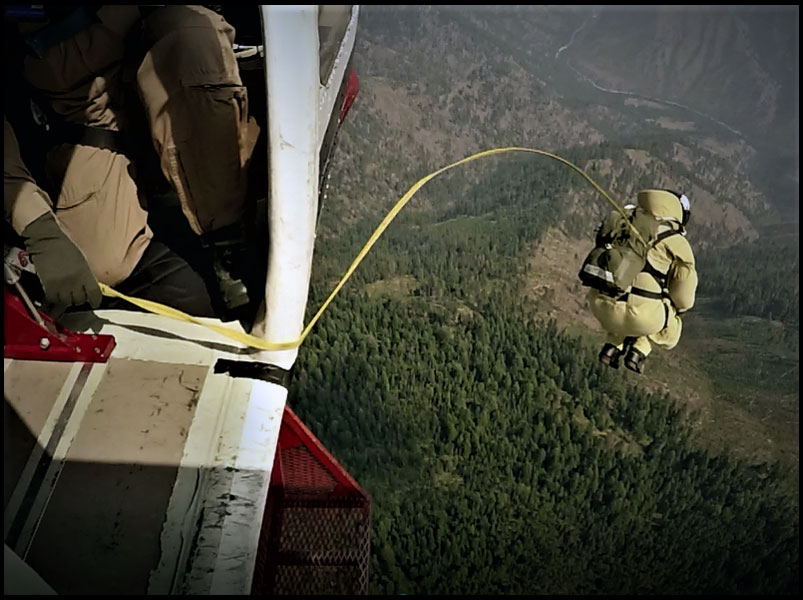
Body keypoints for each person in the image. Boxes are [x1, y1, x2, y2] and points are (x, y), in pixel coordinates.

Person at [5, 5, 260, 318]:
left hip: (158, 50)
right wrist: (39, 228)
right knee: (99, 267)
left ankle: (229, 242)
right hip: (81, 110)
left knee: (192, 34)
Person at [587, 189, 698, 374]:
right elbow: (684, 300)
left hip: (600, 307)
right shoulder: (676, 242)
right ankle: (640, 349)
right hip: (643, 319)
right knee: (668, 318)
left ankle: (613, 345)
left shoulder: (622, 222)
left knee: (625, 295)